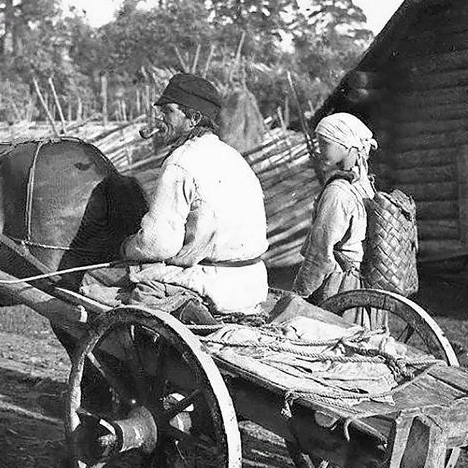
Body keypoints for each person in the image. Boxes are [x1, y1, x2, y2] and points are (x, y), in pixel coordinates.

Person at [82, 72, 270, 321]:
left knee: (92, 280)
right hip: (252, 283)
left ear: (192, 118)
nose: (160, 118)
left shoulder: (180, 163)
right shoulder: (233, 158)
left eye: (168, 111)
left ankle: (130, 352)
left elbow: (158, 244)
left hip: (210, 283)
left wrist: (127, 246)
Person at [292, 112, 377, 305]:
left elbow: (320, 252)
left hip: (339, 286)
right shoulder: (364, 186)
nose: (319, 149)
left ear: (346, 144)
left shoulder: (338, 192)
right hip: (361, 282)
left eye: (324, 143)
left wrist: (300, 293)